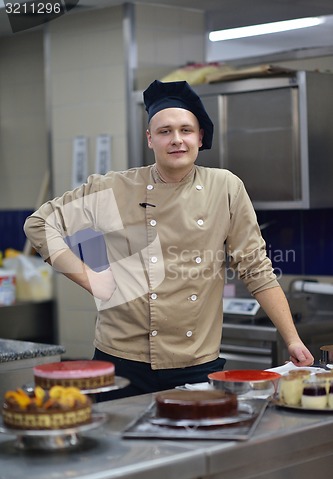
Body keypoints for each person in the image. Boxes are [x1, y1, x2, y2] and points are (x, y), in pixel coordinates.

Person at [24, 80, 314, 400]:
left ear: (200, 137)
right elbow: (39, 225)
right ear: (150, 139)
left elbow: (256, 268)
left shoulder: (225, 188)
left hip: (195, 361)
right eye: (164, 131)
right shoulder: (115, 188)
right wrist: (91, 279)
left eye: (186, 130)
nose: (176, 140)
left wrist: (292, 340)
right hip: (121, 361)